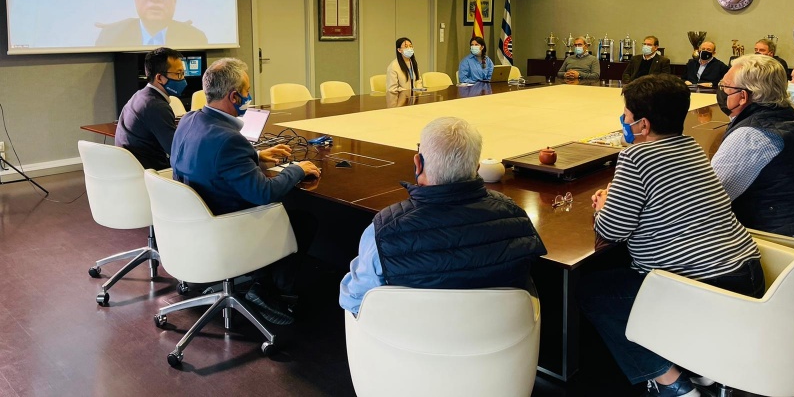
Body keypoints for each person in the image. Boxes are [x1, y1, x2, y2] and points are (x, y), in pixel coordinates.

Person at [580, 74, 764, 397]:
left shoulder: (636, 158)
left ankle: (672, 384)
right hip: (747, 277)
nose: (623, 121)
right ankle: (702, 367)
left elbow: (611, 230)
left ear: (643, 125)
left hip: (700, 290)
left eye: (626, 115)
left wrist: (603, 204)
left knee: (593, 290)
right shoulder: (692, 148)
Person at [339, 116, 546, 315]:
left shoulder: (383, 231)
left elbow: (353, 300)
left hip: (408, 343)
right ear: (477, 168)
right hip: (501, 343)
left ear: (418, 164)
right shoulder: (515, 217)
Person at [171, 58, 321, 324]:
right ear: (233, 96)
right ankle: (270, 292)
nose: (249, 97)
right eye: (247, 92)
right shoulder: (229, 140)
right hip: (225, 231)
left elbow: (211, 158)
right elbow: (263, 193)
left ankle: (260, 280)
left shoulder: (190, 119)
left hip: (190, 224)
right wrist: (296, 170)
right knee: (302, 220)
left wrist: (256, 155)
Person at [711, 54, 794, 237]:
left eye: (725, 87)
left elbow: (710, 199)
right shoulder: (791, 118)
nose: (722, 92)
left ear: (743, 96)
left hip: (775, 240)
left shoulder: (751, 137)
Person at [115, 47, 186, 170]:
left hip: (130, 168)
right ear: (159, 78)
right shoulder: (156, 106)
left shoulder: (140, 95)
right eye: (178, 74)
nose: (183, 79)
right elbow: (177, 151)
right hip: (152, 173)